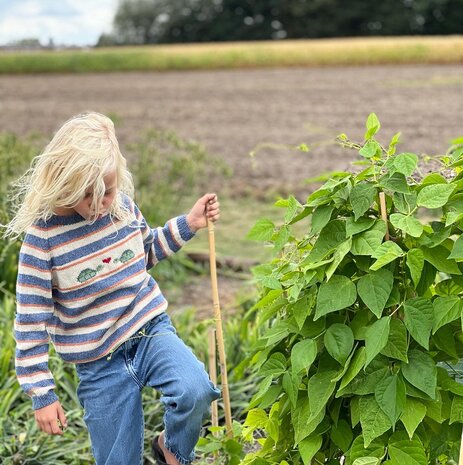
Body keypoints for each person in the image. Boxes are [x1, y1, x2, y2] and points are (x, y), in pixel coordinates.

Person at [5, 112, 221, 465]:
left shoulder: (120, 208)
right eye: (90, 193)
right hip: (99, 363)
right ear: (66, 182)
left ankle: (172, 448)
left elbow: (145, 252)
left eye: (110, 188)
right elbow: (31, 322)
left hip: (149, 332)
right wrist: (41, 394)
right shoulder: (43, 240)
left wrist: (190, 223)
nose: (103, 201)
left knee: (194, 389)